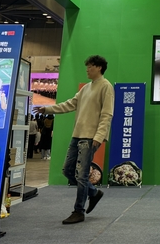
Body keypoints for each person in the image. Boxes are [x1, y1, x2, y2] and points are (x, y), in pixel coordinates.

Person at [36, 55, 114, 225]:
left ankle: (78, 211)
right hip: (77, 135)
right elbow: (69, 104)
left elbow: (107, 114)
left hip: (91, 137)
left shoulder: (106, 86)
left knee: (82, 175)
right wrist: (47, 109)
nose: (87, 70)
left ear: (99, 67)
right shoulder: (86, 88)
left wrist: (99, 136)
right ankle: (94, 193)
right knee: (67, 171)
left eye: (90, 66)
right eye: (87, 67)